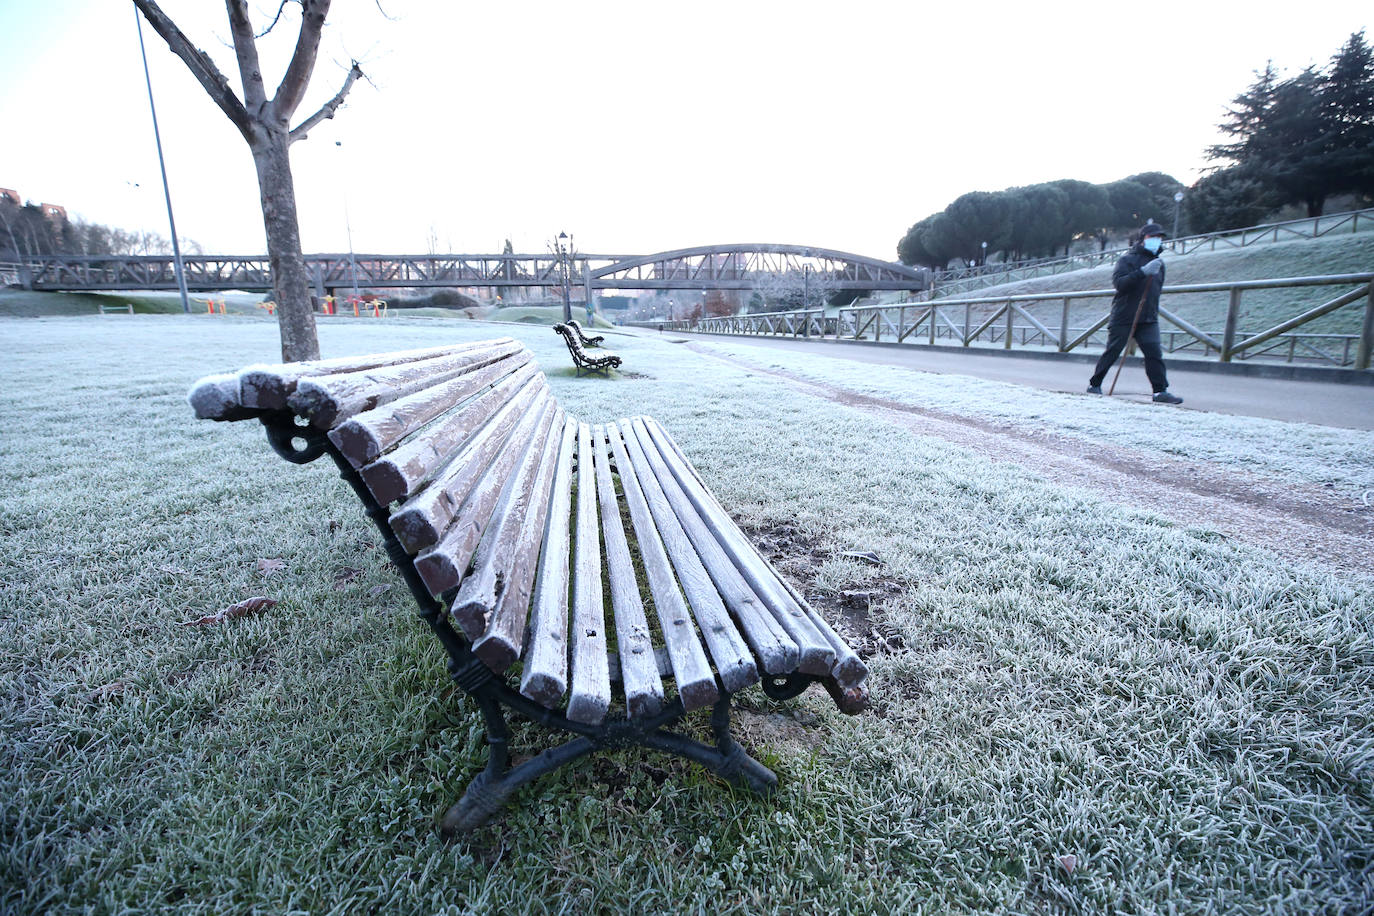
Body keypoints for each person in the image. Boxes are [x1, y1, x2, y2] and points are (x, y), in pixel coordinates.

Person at [1087, 221, 1183, 404]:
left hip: (1148, 317)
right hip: (1124, 315)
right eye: (1152, 237)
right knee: (1113, 351)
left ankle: (1160, 391)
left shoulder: (1159, 264)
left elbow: (1157, 290)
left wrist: (1152, 309)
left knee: (1154, 353)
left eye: (1159, 238)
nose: (1156, 240)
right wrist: (1142, 272)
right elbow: (1120, 284)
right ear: (1142, 239)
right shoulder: (1126, 260)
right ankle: (1095, 384)